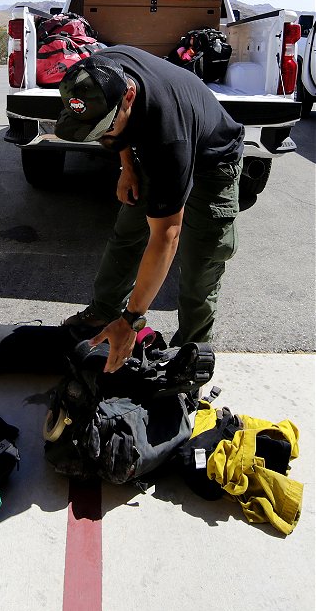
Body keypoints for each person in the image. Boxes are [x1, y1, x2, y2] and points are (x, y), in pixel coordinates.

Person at [55, 45, 244, 375]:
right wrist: (127, 166)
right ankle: (103, 312)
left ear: (129, 97)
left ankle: (190, 356)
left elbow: (166, 238)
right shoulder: (95, 73)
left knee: (200, 264)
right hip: (155, 138)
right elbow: (118, 127)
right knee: (127, 232)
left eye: (104, 131)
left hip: (213, 161)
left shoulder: (168, 139)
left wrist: (132, 320)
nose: (100, 140)